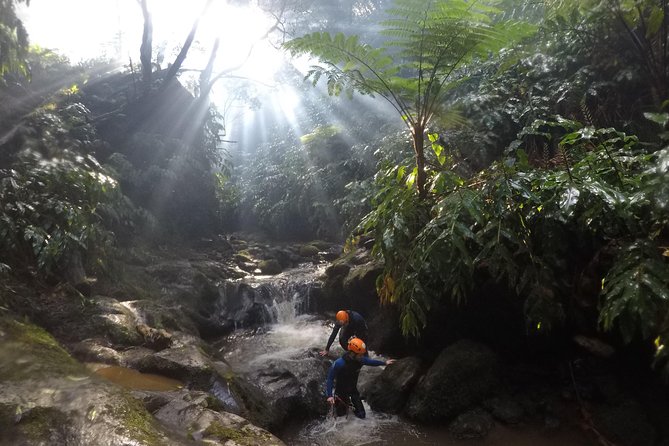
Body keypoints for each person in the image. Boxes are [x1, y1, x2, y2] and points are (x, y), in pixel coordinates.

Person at [325, 336, 395, 419]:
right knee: (341, 417)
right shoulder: (339, 363)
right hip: (341, 393)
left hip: (353, 391)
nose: (362, 356)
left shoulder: (360, 360)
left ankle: (351, 403)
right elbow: (330, 378)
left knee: (362, 416)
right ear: (352, 353)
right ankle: (347, 404)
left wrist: (384, 363)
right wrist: (329, 395)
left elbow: (371, 362)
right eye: (360, 354)